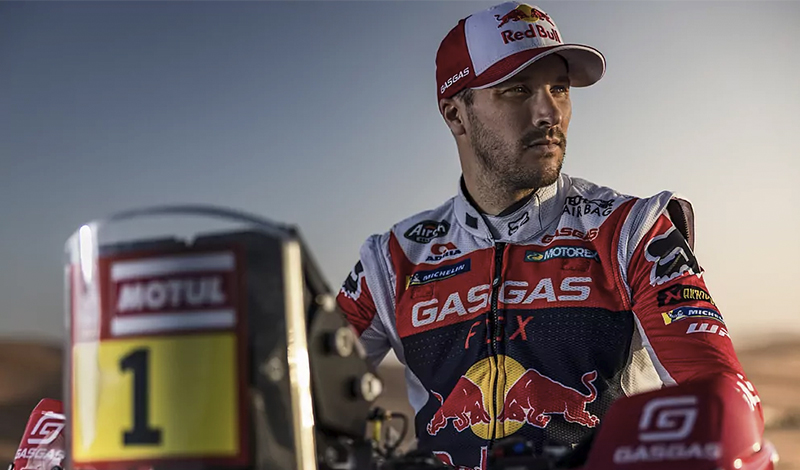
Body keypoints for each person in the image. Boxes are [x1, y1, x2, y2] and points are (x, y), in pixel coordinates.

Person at [336, 2, 762, 468]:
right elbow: (297, 390)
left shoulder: (632, 230)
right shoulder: (392, 258)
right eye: (518, 90)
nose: (549, 113)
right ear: (456, 115)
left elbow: (721, 393)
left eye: (559, 88)